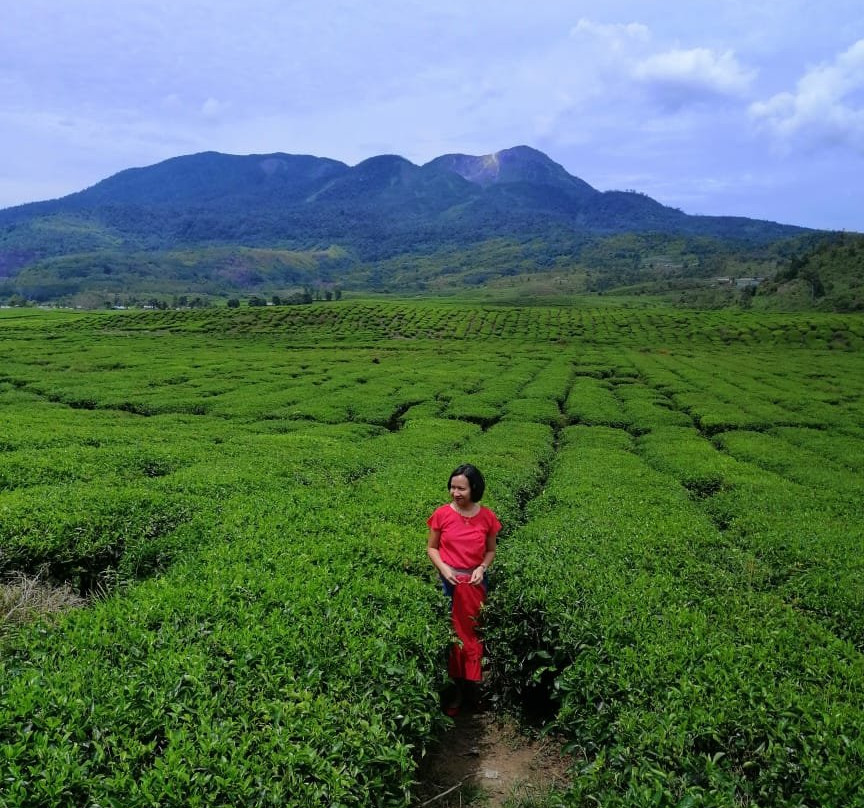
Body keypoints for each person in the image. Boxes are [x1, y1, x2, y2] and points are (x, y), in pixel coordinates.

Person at [427, 463, 500, 716]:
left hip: (476, 584)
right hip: (450, 584)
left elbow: (491, 550)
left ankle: (474, 690)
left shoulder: (487, 517)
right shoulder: (442, 514)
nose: (455, 492)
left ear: (474, 489)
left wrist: (482, 568)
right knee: (454, 638)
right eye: (452, 487)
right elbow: (432, 548)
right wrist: (444, 569)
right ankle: (456, 693)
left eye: (461, 488)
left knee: (474, 636)